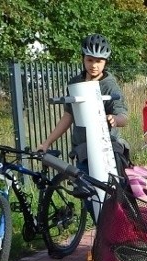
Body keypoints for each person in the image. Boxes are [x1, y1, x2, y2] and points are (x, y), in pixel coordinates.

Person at [38, 33, 129, 168]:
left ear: (105, 62)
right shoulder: (75, 83)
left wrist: (114, 119)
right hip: (83, 150)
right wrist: (47, 142)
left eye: (99, 61)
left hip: (107, 149)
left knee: (112, 188)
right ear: (83, 59)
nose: (94, 65)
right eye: (90, 60)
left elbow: (123, 117)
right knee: (83, 187)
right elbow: (68, 116)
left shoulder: (110, 85)